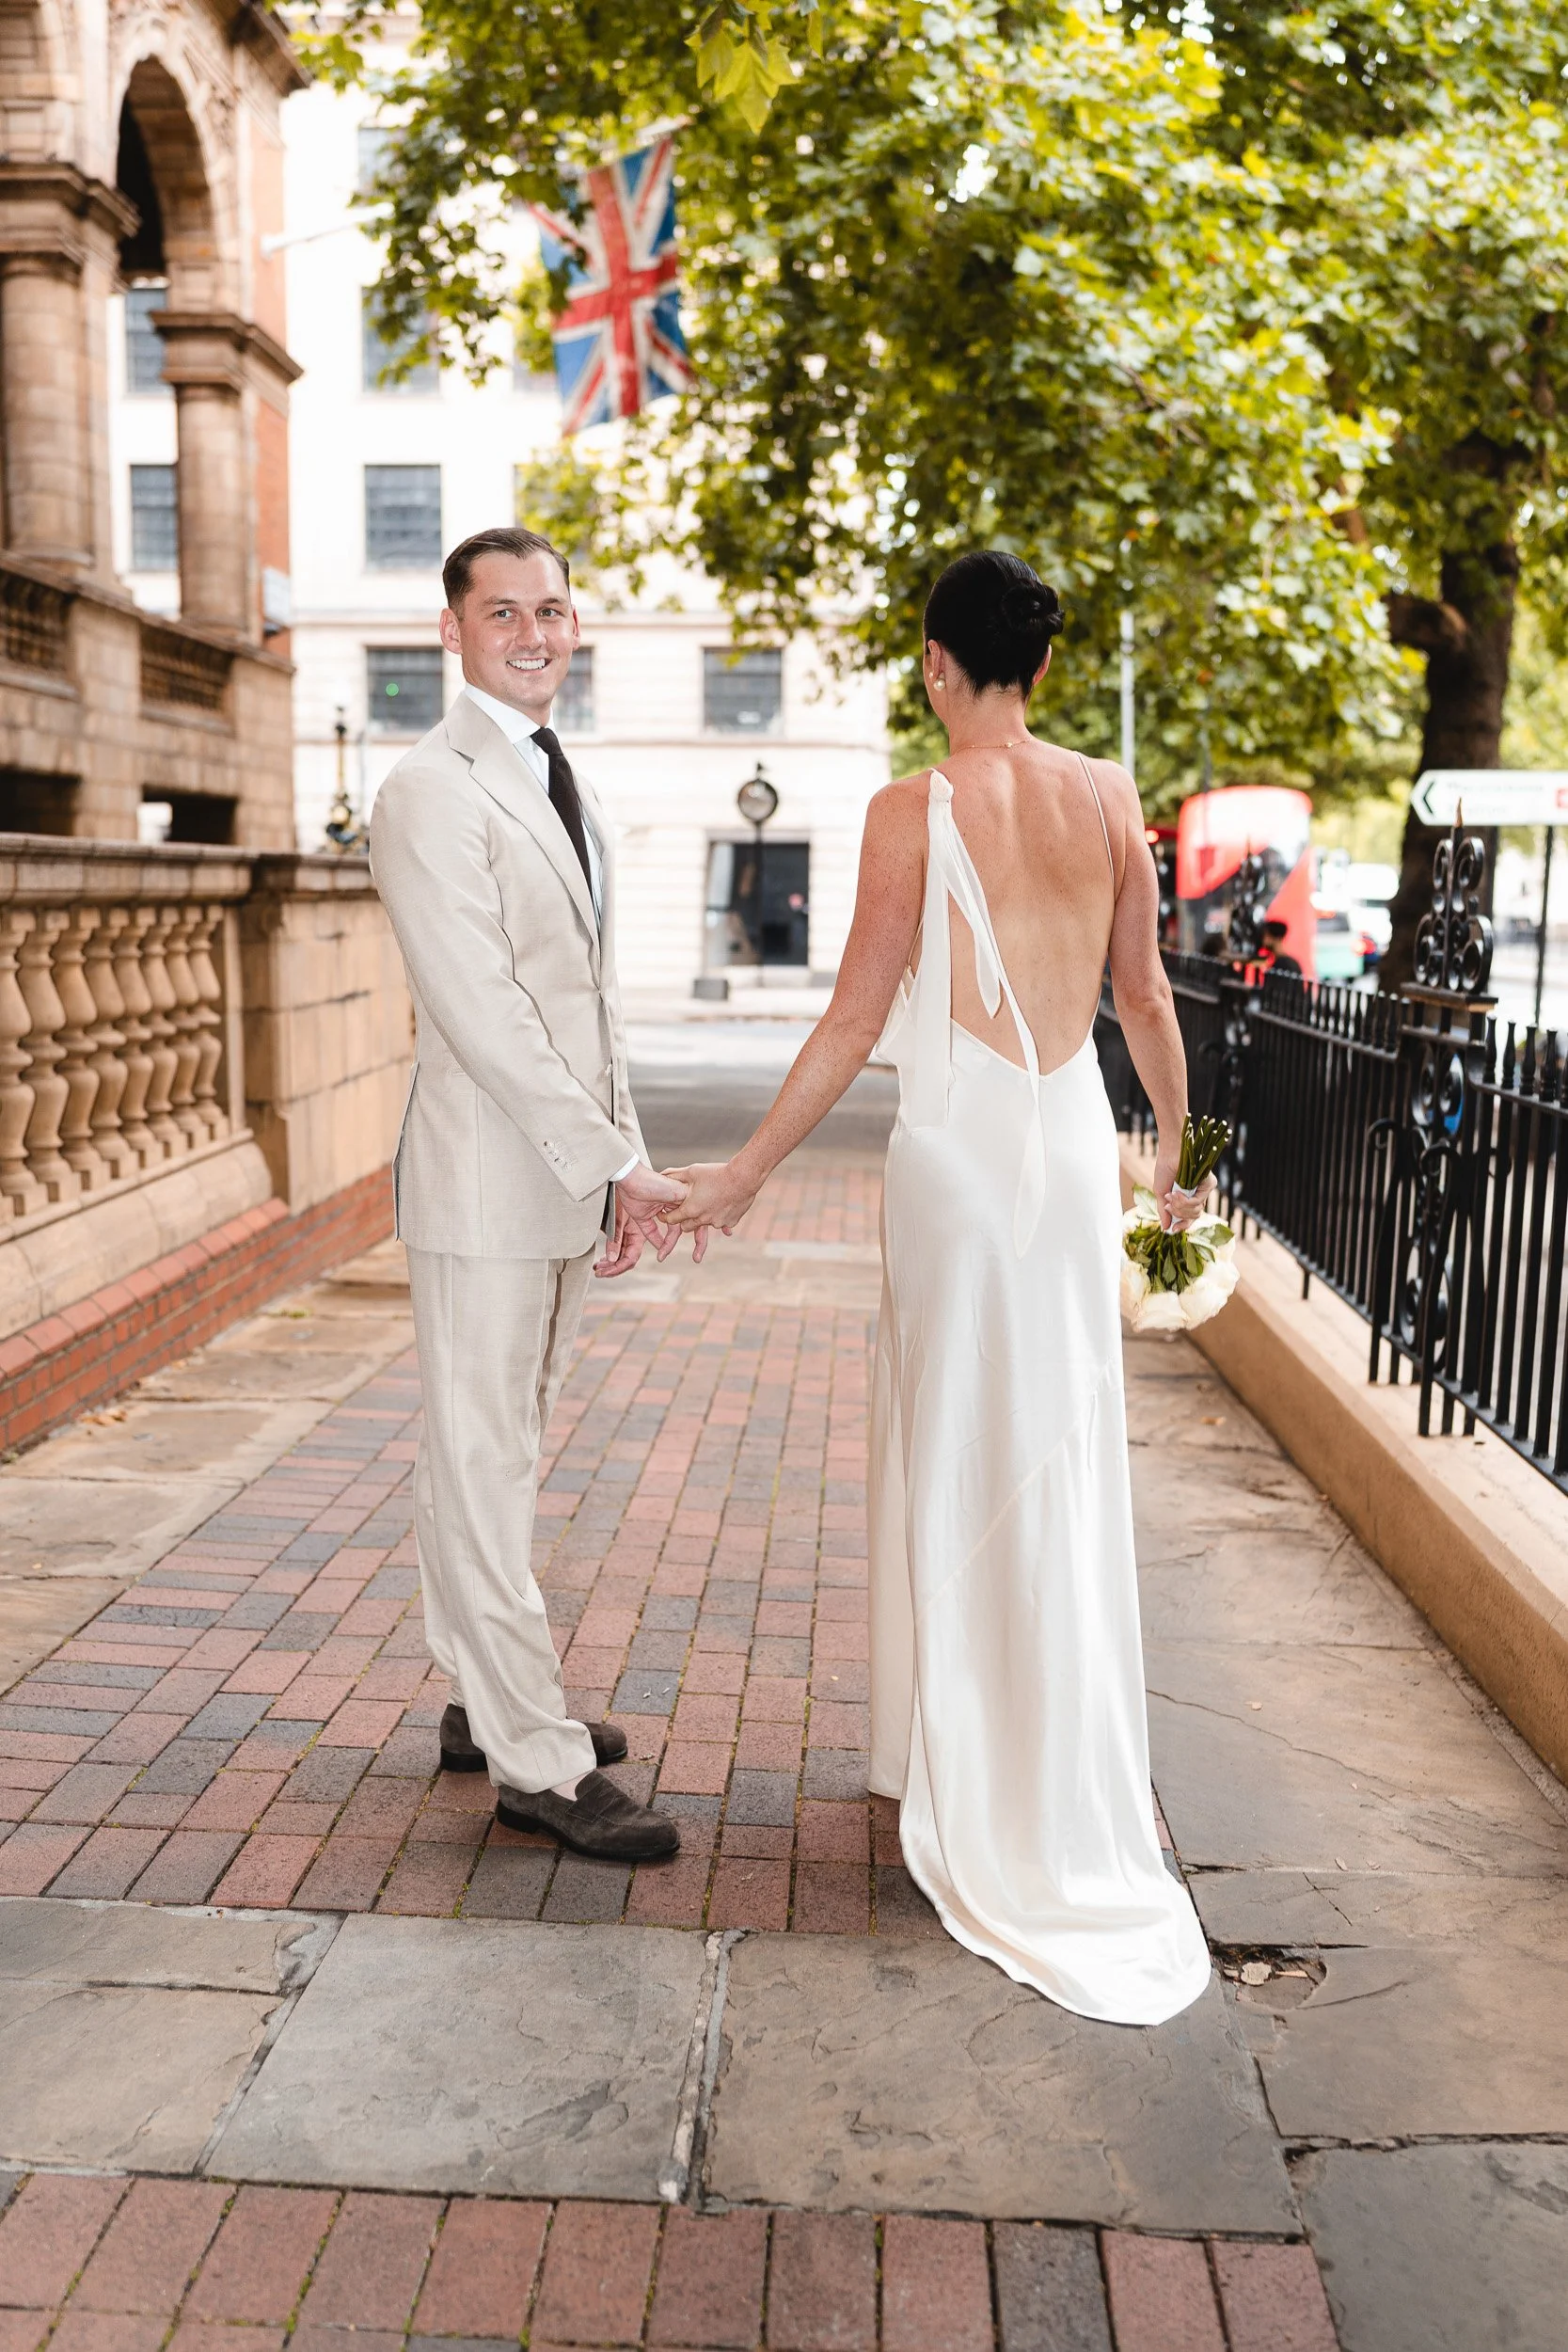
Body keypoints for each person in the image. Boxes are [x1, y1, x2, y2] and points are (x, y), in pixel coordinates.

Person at [664, 551, 1212, 2024]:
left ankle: (956, 1771)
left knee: (949, 1444)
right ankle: (1020, 1769)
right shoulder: (1106, 798)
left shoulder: (910, 807)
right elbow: (1145, 1004)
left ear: (932, 664)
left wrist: (740, 1175)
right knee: (1057, 1451)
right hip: (1063, 1142)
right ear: (1037, 663)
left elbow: (858, 1013)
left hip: (960, 1161)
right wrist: (1181, 1161)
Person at [370, 525, 687, 1865]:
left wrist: (616, 1164)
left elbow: (589, 1011)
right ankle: (535, 1765)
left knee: (501, 1446)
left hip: (554, 1186)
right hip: (487, 1192)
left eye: (551, 609)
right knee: (482, 1459)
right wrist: (616, 1164)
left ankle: (480, 1698)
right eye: (502, 613)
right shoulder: (429, 792)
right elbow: (488, 1016)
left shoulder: (561, 775)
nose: (534, 633)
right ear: (452, 630)